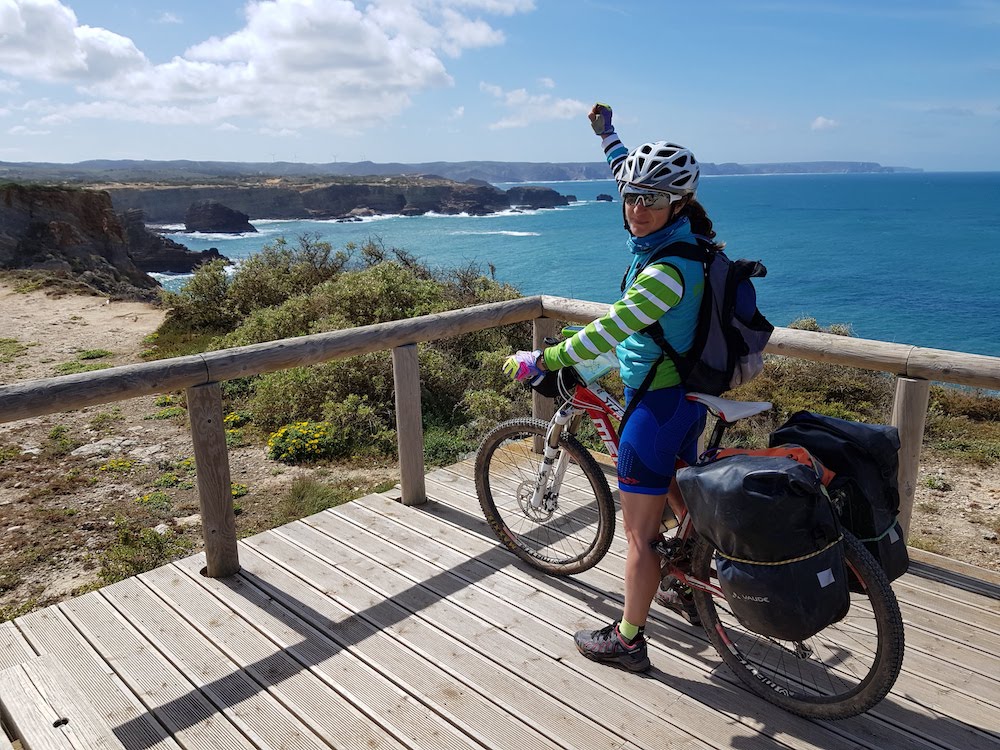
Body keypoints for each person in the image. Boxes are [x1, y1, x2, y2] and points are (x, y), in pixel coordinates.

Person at [503, 103, 724, 672]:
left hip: (656, 406)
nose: (636, 208)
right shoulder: (685, 244)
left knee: (637, 539)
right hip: (683, 400)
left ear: (679, 202)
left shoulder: (665, 272)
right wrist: (608, 136)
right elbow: (627, 170)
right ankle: (691, 576)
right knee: (677, 493)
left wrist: (543, 357)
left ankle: (628, 639)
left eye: (651, 200)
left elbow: (613, 326)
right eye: (631, 198)